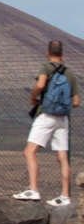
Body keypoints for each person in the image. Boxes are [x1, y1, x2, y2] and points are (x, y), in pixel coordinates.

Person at [14, 40, 80, 206]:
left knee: (29, 152)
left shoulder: (45, 68)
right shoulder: (70, 74)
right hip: (63, 118)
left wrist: (32, 97)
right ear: (63, 54)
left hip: (46, 115)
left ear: (47, 53)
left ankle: (33, 189)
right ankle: (64, 196)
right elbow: (77, 102)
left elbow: (41, 84)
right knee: (62, 157)